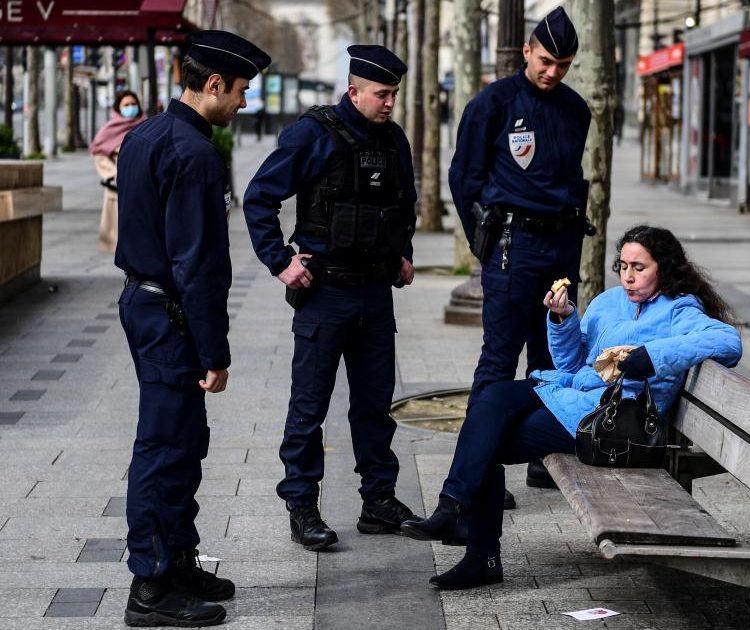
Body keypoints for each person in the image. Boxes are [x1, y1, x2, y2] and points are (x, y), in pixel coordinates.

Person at [401, 225, 743, 589]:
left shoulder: (680, 309)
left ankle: (473, 544)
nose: (628, 276)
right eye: (623, 265)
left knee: (486, 439)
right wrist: (563, 319)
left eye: (639, 268)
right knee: (489, 401)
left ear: (665, 268)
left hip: (612, 422)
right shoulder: (609, 301)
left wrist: (652, 356)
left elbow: (727, 340)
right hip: (574, 396)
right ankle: (454, 512)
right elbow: (571, 362)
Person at [113, 30, 270, 628]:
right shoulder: (196, 155)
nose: (244, 103)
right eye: (240, 91)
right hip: (171, 313)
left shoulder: (145, 135)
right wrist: (215, 352)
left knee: (182, 441)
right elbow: (199, 265)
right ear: (212, 85)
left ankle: (176, 558)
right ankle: (150, 587)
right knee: (164, 447)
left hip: (144, 303)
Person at [242, 44, 419, 552]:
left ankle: (378, 501)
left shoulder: (393, 139)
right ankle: (302, 505)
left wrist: (403, 251)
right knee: (309, 406)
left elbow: (404, 203)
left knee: (374, 405)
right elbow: (259, 198)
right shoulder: (312, 133)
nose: (388, 104)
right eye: (380, 94)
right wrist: (280, 261)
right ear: (353, 90)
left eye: (393, 95)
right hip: (324, 291)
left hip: (375, 293)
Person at [449, 7, 593, 498]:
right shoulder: (493, 102)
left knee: (550, 359)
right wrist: (483, 245)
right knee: (499, 360)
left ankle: (539, 458)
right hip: (513, 248)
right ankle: (481, 473)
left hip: (561, 248)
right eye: (546, 60)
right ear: (528, 50)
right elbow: (462, 178)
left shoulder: (577, 110)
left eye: (564, 64)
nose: (552, 72)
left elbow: (572, 179)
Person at [90, 90, 144, 252]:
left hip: (143, 185)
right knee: (119, 236)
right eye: (126, 105)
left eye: (133, 104)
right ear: (118, 108)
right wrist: (114, 173)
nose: (130, 108)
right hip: (118, 187)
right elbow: (98, 153)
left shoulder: (147, 125)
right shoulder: (109, 129)